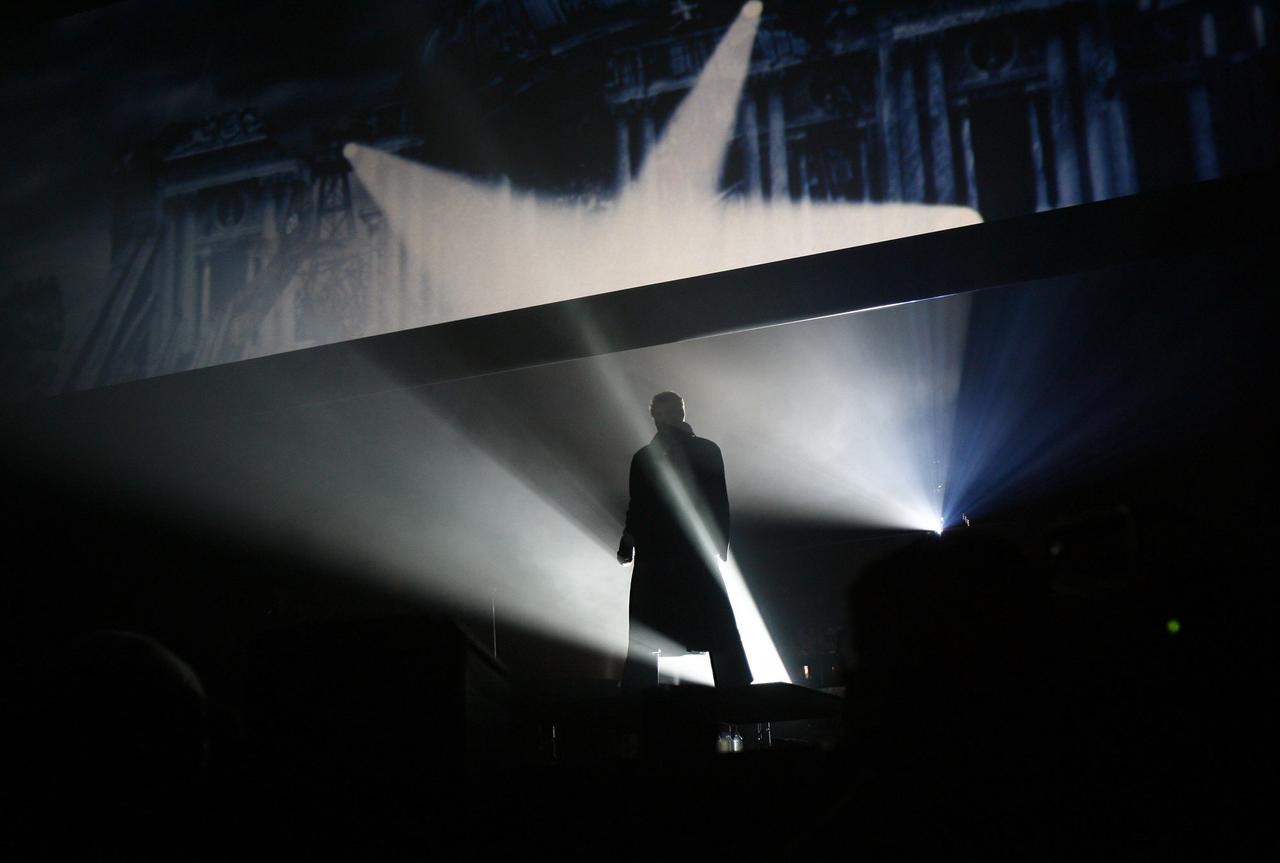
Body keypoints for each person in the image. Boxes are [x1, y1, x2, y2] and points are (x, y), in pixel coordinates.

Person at [617, 391, 752, 688]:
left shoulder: (703, 450)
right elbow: (638, 503)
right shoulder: (647, 457)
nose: (672, 416)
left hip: (687, 545)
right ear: (655, 415)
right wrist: (629, 539)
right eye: (665, 411)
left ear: (682, 412)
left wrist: (717, 540)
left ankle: (733, 683)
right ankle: (732, 682)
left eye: (675, 409)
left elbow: (718, 496)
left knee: (707, 613)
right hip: (660, 546)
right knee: (693, 613)